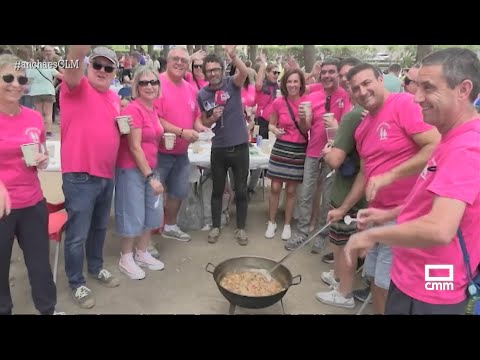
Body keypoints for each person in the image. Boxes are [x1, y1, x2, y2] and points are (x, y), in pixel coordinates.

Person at [345, 48, 480, 315]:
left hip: (433, 287)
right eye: (416, 86)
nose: (416, 97)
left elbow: (440, 229)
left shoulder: (466, 148)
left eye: (428, 88)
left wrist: (372, 235)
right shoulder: (449, 137)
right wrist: (390, 213)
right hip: (411, 275)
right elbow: (433, 201)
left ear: (463, 90)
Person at [331, 62, 440, 314]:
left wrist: (391, 175)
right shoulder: (363, 127)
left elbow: (434, 145)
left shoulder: (404, 104)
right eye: (355, 88)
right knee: (375, 281)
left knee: (388, 285)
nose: (362, 91)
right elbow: (366, 172)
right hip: (377, 215)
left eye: (367, 83)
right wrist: (344, 208)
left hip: (405, 215)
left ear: (381, 80)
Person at [60, 46, 121, 309]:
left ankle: (96, 267)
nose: (102, 71)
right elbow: (73, 66)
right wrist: (77, 52)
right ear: (88, 65)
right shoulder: (77, 86)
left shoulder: (114, 98)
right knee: (77, 235)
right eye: (97, 65)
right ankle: (76, 282)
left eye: (108, 68)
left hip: (106, 175)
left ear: (114, 73)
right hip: (80, 176)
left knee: (99, 228)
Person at [0, 54, 61, 315]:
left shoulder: (34, 118)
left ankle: (47, 309)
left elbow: (41, 155)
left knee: (40, 266)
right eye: (8, 77)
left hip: (33, 201)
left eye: (21, 79)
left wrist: (43, 160)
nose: (15, 84)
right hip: (2, 208)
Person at [313, 57, 368, 309]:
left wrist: (327, 151)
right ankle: (337, 277)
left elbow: (335, 159)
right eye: (347, 79)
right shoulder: (367, 113)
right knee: (348, 241)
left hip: (348, 188)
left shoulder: (353, 115)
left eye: (350, 78)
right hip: (362, 188)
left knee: (343, 242)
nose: (347, 83)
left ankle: (343, 292)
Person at [115, 66, 165, 280]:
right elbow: (134, 147)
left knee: (150, 212)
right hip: (132, 170)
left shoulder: (152, 109)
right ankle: (126, 257)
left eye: (153, 82)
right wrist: (150, 177)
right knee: (132, 213)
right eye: (144, 83)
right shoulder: (133, 109)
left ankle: (142, 253)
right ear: (136, 86)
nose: (149, 86)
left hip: (150, 167)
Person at [197, 46, 250, 245]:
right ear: (205, 73)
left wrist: (233, 55)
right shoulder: (202, 94)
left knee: (242, 190)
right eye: (209, 70)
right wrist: (212, 117)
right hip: (218, 148)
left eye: (216, 69)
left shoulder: (231, 83)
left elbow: (244, 72)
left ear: (222, 69)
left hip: (239, 147)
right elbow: (204, 122)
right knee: (217, 190)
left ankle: (241, 228)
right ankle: (215, 226)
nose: (213, 73)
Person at [154, 46, 208, 243]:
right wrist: (182, 132)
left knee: (178, 192)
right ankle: (146, 238)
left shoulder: (190, 88)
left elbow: (195, 117)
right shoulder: (156, 83)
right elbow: (155, 118)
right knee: (152, 194)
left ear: (188, 65)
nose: (179, 63)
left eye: (183, 61)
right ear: (167, 61)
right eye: (175, 59)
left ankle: (170, 226)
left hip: (181, 152)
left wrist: (200, 127)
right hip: (158, 151)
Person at [265, 68, 309, 240]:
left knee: (291, 190)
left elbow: (308, 127)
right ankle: (271, 222)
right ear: (284, 84)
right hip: (281, 146)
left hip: (298, 149)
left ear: (300, 84)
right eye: (289, 81)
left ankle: (287, 224)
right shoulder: (278, 102)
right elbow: (270, 124)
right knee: (275, 187)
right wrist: (275, 129)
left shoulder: (306, 102)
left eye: (295, 81)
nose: (292, 84)